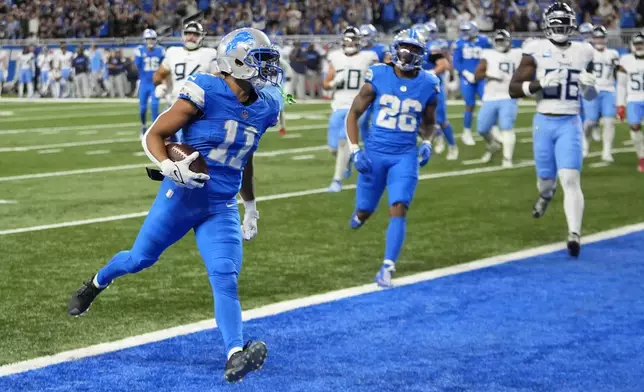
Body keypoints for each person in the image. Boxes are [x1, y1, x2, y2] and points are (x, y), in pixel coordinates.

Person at [67, 27, 284, 383]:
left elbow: (245, 157)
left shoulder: (266, 106)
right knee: (139, 259)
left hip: (221, 205)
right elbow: (155, 133)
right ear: (237, 60)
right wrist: (169, 166)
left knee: (224, 275)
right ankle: (95, 283)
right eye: (260, 60)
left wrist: (251, 205)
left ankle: (234, 354)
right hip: (181, 197)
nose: (267, 70)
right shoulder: (206, 89)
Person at [345, 29, 440, 288]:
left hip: (405, 156)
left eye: (414, 49)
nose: (407, 54)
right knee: (365, 210)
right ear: (395, 49)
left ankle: (387, 267)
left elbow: (430, 122)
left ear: (422, 54)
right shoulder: (378, 74)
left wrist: (428, 142)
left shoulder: (429, 83)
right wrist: (355, 150)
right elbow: (353, 114)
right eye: (403, 48)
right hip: (375, 153)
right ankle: (361, 215)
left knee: (399, 207)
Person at [509, 2, 597, 257]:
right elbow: (513, 89)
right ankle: (546, 195)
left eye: (563, 22)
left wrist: (591, 88)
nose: (560, 27)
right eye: (555, 22)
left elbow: (589, 96)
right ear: (547, 24)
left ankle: (574, 234)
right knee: (546, 181)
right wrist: (537, 84)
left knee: (571, 178)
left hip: (570, 120)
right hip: (544, 121)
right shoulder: (535, 49)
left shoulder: (584, 51)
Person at [323, 26, 378, 192]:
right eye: (347, 40)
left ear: (359, 41)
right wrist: (333, 83)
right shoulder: (335, 57)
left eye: (353, 39)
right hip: (338, 106)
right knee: (333, 147)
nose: (350, 43)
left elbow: (377, 79)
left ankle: (337, 180)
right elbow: (325, 84)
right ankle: (348, 160)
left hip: (357, 105)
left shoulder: (369, 57)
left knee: (342, 140)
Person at [153, 21, 217, 141]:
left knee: (190, 146)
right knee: (158, 140)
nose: (191, 37)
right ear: (183, 35)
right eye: (188, 33)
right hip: (173, 105)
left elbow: (219, 80)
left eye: (195, 34)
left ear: (202, 36)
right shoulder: (173, 52)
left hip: (197, 109)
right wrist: (159, 85)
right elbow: (159, 73)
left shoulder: (209, 54)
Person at [473, 29, 522, 167]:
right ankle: (493, 144)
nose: (500, 43)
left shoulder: (518, 53)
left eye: (503, 40)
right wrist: (489, 74)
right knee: (482, 129)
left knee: (507, 127)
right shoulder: (488, 54)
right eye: (498, 41)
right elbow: (477, 75)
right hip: (490, 97)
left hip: (509, 96)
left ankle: (507, 159)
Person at [419, 21, 459, 160]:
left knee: (441, 119)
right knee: (419, 120)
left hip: (434, 88)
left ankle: (453, 146)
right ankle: (436, 136)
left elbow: (444, 64)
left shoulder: (432, 47)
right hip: (419, 89)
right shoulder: (415, 49)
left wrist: (429, 73)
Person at [582, 26, 619, 162]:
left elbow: (617, 74)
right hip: (591, 89)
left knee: (609, 121)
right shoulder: (587, 53)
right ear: (593, 38)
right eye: (597, 37)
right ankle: (585, 144)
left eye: (601, 37)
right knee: (590, 121)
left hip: (608, 89)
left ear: (605, 38)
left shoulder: (613, 54)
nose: (599, 40)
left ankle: (607, 151)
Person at [453, 21, 490, 146]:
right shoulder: (459, 43)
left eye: (466, 31)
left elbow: (491, 57)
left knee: (488, 102)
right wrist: (466, 73)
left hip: (481, 77)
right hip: (467, 78)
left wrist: (484, 72)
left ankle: (491, 128)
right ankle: (466, 132)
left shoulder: (484, 41)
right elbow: (456, 62)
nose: (464, 33)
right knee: (470, 104)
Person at [616, 32, 644, 173]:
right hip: (633, 98)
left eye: (641, 43)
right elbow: (621, 85)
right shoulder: (625, 60)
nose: (639, 46)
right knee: (634, 127)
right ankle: (642, 157)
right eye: (637, 44)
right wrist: (620, 105)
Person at [135, 29, 165, 135]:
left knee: (154, 106)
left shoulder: (161, 50)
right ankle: (143, 125)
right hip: (144, 83)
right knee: (142, 108)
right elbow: (137, 67)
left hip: (155, 83)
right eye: (148, 39)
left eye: (152, 39)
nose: (151, 41)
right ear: (144, 40)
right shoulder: (140, 50)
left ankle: (153, 131)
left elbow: (164, 66)